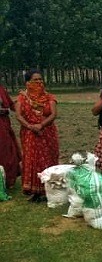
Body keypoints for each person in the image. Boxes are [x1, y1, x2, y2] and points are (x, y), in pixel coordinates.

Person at [15, 69, 59, 202]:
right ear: (28, 82)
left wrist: (41, 125)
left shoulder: (49, 97)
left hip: (47, 133)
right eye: (35, 80)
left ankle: (48, 190)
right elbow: (18, 115)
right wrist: (31, 127)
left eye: (40, 79)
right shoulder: (22, 98)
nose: (39, 82)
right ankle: (34, 190)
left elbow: (53, 114)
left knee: (47, 159)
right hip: (29, 133)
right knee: (31, 160)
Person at [0, 82, 21, 189]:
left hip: (4, 124)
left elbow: (10, 104)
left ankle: (8, 180)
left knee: (7, 151)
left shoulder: (1, 89)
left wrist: (23, 106)